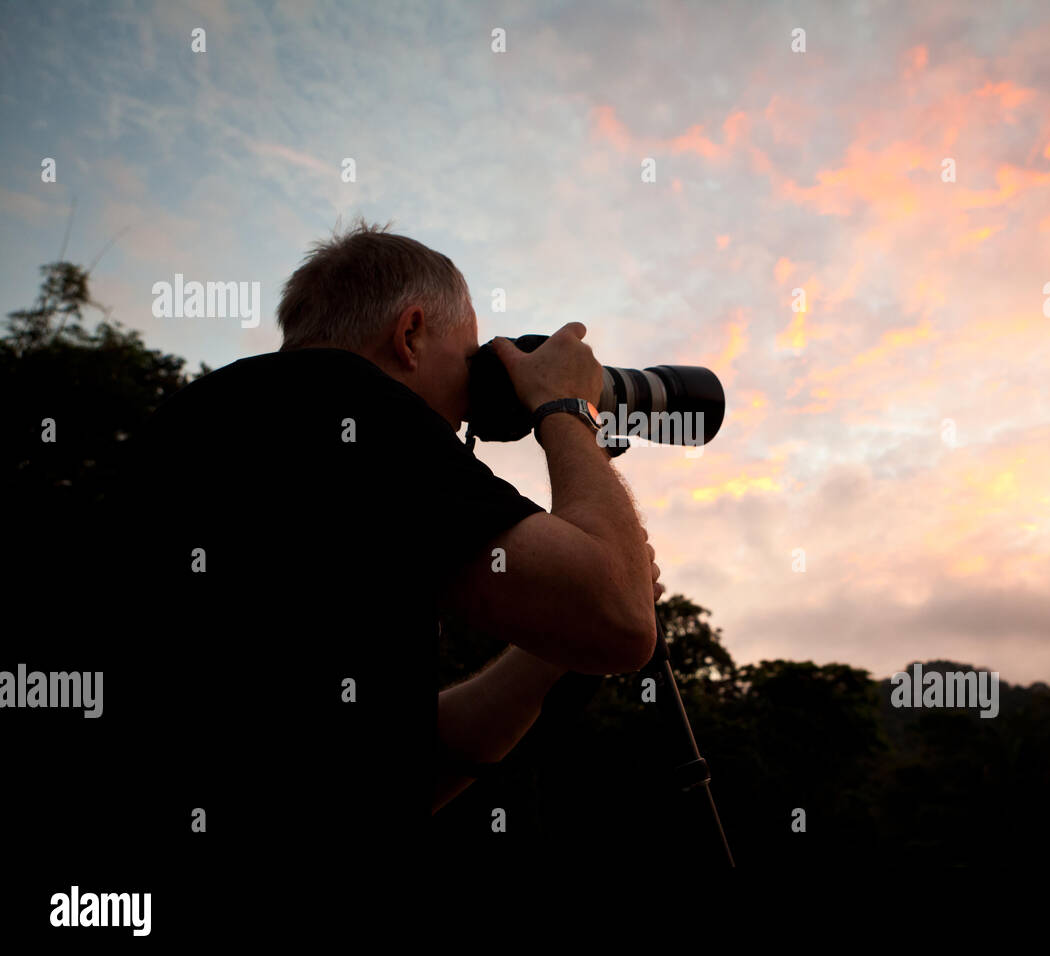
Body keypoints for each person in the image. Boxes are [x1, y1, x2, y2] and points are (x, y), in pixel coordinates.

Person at [104, 219, 663, 874]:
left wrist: (550, 651)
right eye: (469, 359)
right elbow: (621, 619)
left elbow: (395, 769)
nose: (466, 407)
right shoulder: (347, 408)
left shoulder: (203, 424)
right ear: (410, 334)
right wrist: (566, 405)